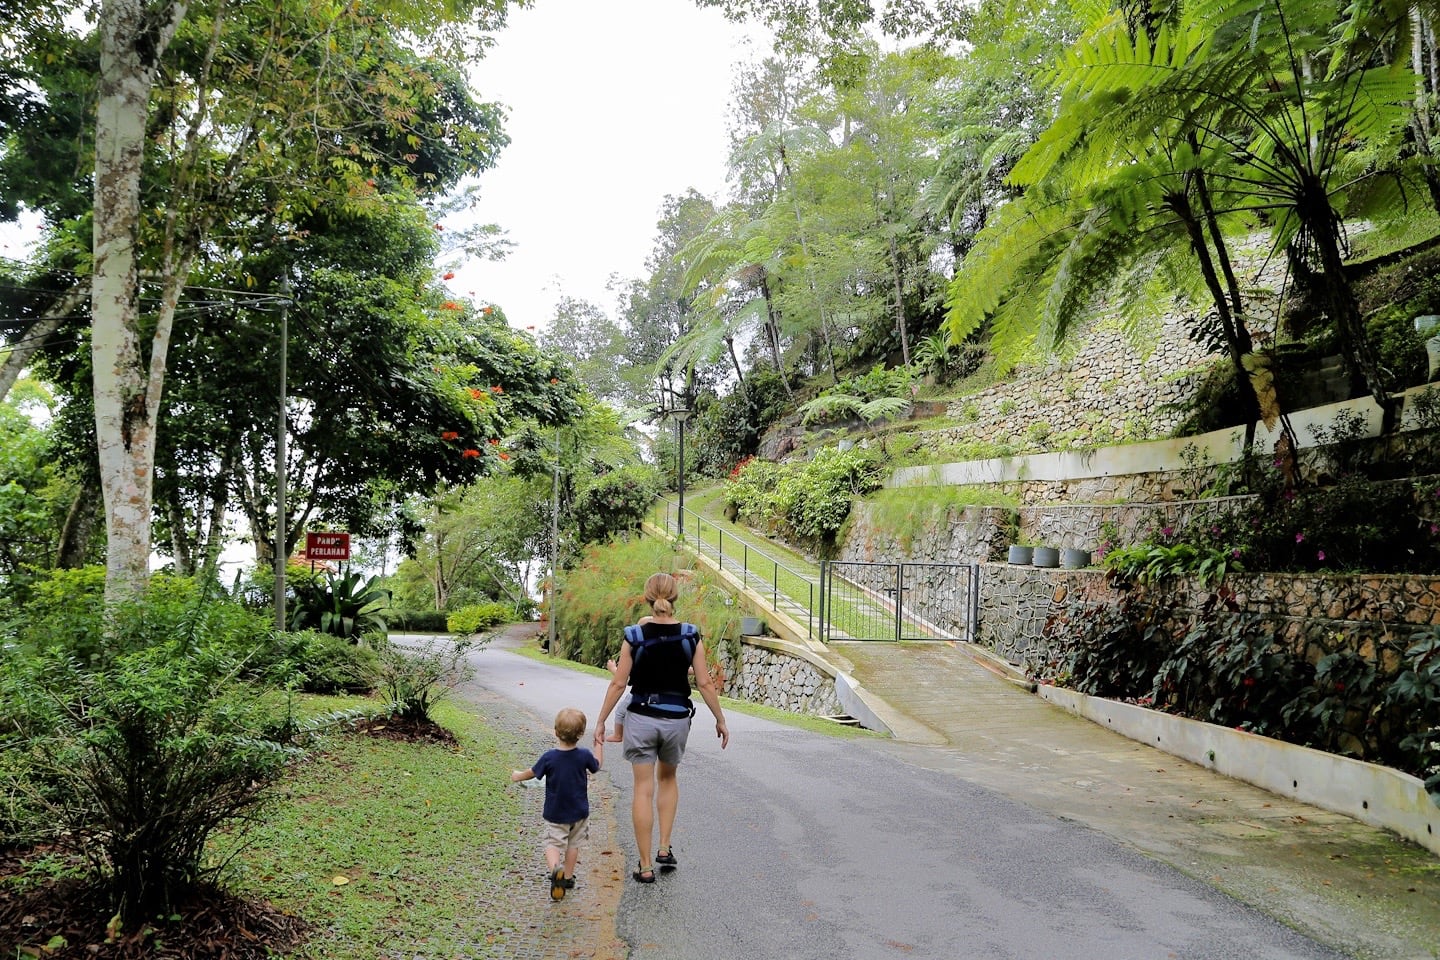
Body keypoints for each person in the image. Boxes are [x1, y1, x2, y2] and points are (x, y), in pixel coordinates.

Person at [594, 572, 729, 884]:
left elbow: (619, 683)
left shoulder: (634, 636)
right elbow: (705, 683)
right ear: (674, 597)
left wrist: (601, 720)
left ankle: (644, 866)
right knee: (667, 779)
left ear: (647, 597)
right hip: (677, 718)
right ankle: (664, 849)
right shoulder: (690, 635)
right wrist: (720, 719)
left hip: (641, 717)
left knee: (643, 789)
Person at [510, 707, 602, 901]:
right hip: (579, 812)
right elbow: (597, 766)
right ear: (581, 734)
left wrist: (518, 776)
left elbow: (533, 772)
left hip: (555, 812)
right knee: (573, 844)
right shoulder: (584, 755)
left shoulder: (549, 757)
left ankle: (555, 870)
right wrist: (599, 745)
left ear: (555, 731)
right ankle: (567, 878)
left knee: (552, 843)